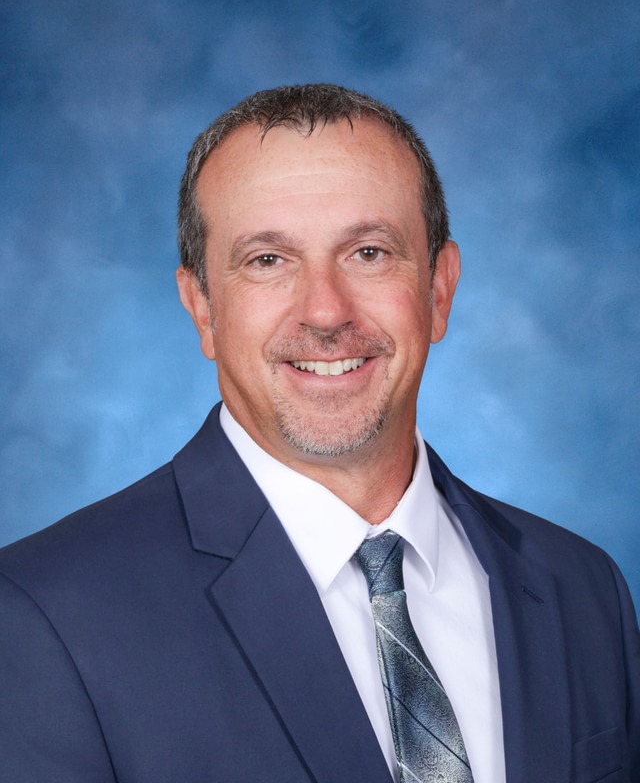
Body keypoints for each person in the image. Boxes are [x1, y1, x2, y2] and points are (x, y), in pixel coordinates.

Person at [0, 84, 638, 783]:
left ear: (439, 289)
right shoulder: (42, 616)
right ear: (203, 308)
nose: (326, 311)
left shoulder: (584, 588)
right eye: (267, 260)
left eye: (369, 252)